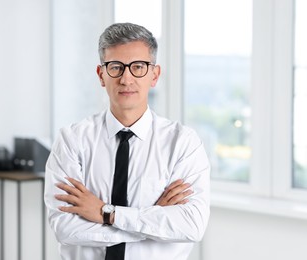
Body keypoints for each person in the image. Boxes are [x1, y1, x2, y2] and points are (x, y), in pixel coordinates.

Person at [44, 22, 210, 260]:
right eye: (116, 67)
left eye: (138, 67)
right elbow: (66, 229)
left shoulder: (183, 143)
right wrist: (151, 221)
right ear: (102, 75)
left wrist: (106, 213)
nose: (126, 78)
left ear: (155, 75)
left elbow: (191, 226)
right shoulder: (72, 140)